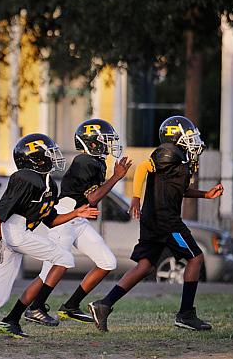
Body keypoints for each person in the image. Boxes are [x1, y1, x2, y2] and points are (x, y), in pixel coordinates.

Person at [0, 133, 99, 348]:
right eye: (49, 153)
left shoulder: (50, 184)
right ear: (35, 159)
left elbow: (51, 220)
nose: (54, 156)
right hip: (14, 232)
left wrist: (77, 213)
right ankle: (36, 307)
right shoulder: (25, 177)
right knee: (65, 257)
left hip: (18, 235)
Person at [89, 115, 224, 332]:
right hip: (166, 221)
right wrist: (135, 198)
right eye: (189, 136)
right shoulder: (168, 152)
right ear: (176, 137)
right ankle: (186, 314)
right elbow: (143, 168)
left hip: (155, 220)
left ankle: (103, 305)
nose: (194, 140)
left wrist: (205, 195)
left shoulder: (180, 159)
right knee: (196, 258)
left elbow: (179, 190)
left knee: (145, 266)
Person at [24, 119, 132, 326]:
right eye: (106, 140)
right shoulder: (84, 162)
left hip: (78, 218)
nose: (110, 145)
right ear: (92, 143)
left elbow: (91, 197)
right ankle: (31, 309)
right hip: (65, 217)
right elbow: (93, 197)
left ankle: (71, 306)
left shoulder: (97, 162)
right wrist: (116, 178)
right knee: (49, 271)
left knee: (107, 262)